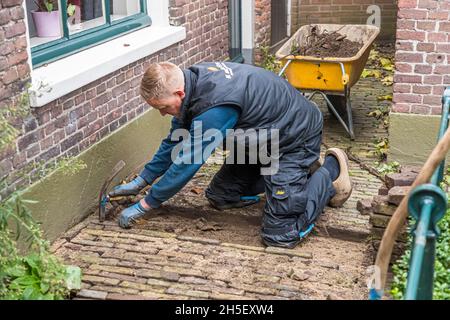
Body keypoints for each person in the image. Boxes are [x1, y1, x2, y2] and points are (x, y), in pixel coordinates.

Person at [109, 61, 352, 248]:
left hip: (293, 136)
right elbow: (175, 142)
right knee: (221, 196)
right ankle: (294, 180)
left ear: (179, 94)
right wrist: (142, 179)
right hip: (261, 136)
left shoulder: (214, 107)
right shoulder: (193, 85)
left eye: (163, 108)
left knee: (280, 235)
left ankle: (330, 170)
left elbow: (187, 163)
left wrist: (146, 203)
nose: (163, 114)